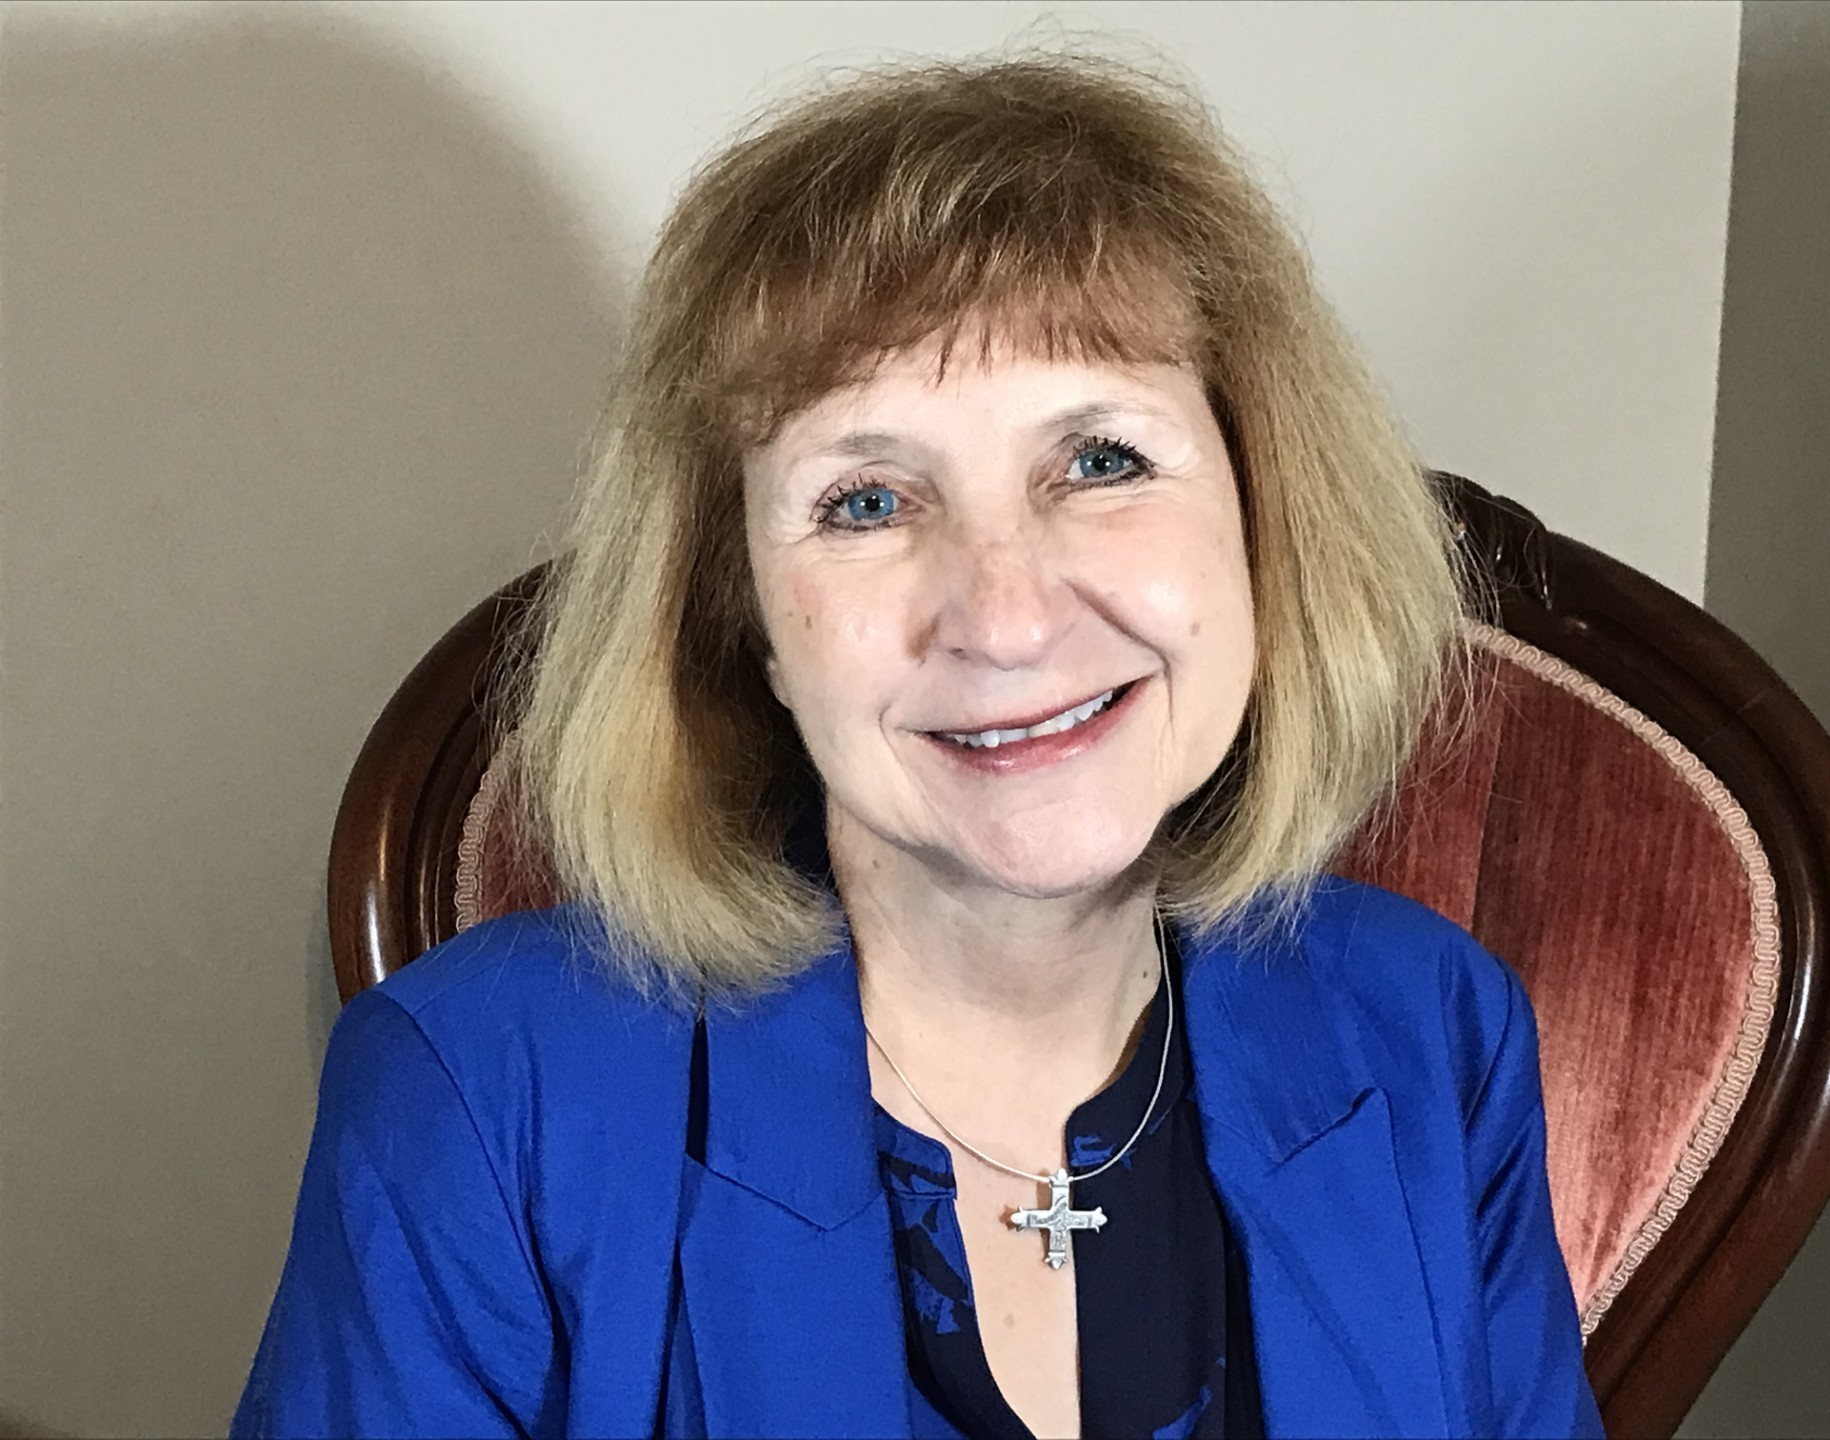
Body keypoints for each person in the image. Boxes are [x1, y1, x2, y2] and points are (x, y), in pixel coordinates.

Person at [234, 48, 1602, 1440]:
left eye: (1102, 460)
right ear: (745, 619)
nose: (1006, 618)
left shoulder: (1433, 1029)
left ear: (1264, 523)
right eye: (869, 501)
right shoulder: (479, 1097)